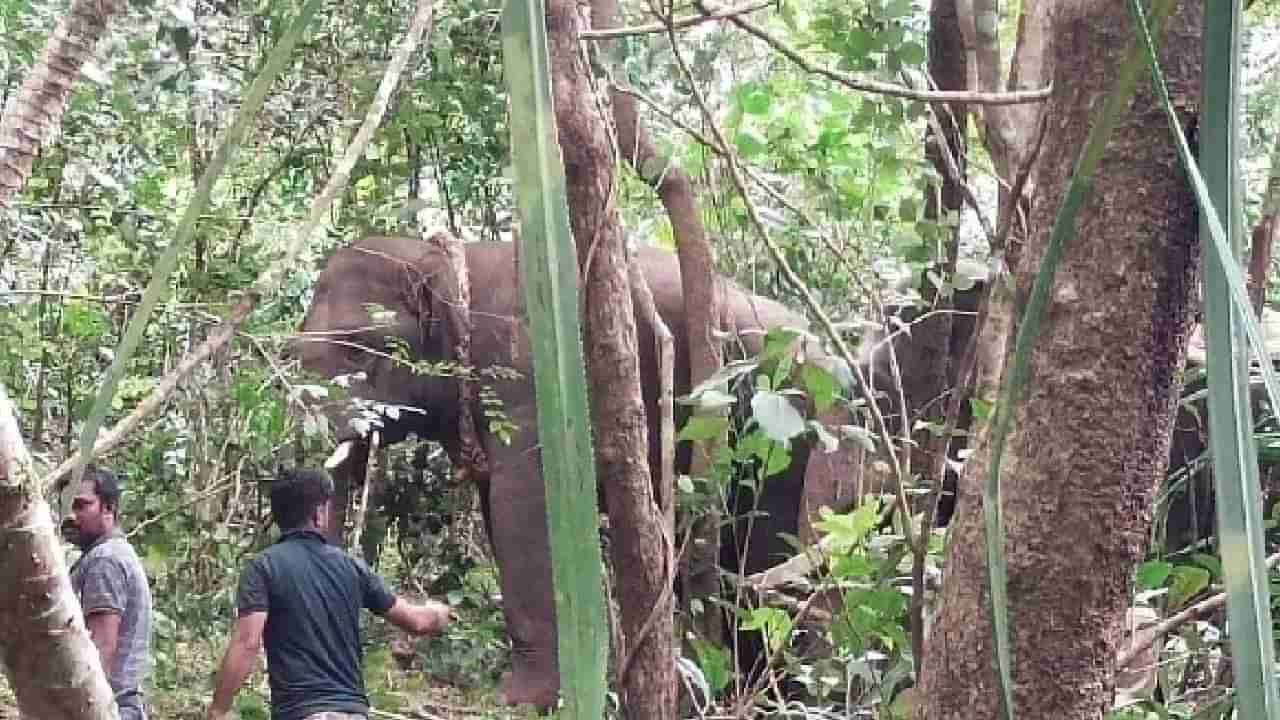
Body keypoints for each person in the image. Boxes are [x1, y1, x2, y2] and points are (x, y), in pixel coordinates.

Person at [207, 467, 452, 720]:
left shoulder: (264, 567)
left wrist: (218, 709)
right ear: (318, 513)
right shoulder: (352, 567)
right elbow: (417, 621)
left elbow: (247, 642)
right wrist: (440, 612)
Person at [66, 464, 154, 720]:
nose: (71, 515)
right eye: (66, 506)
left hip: (109, 707)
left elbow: (101, 646)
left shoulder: (105, 560)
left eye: (81, 505)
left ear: (109, 509)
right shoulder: (108, 553)